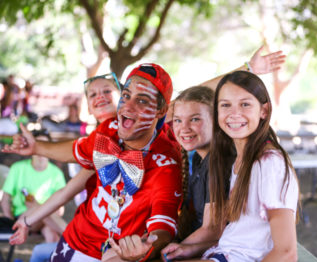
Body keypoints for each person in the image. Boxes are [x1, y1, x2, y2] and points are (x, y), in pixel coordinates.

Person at [4, 65, 183, 262]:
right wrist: (36, 147)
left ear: (161, 110)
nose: (128, 106)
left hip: (114, 254)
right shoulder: (109, 130)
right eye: (127, 95)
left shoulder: (166, 160)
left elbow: (164, 223)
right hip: (75, 240)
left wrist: (147, 248)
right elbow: (76, 151)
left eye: (141, 100)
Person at [161, 47, 287, 261]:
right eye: (179, 121)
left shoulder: (223, 160)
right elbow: (175, 106)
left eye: (195, 119)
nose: (183, 128)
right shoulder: (202, 159)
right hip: (216, 248)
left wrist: (173, 249)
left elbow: (214, 230)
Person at [188, 71, 299, 261]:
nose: (234, 114)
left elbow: (286, 253)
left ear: (264, 110)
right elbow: (242, 234)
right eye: (225, 105)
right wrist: (188, 250)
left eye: (245, 104)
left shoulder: (269, 163)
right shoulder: (240, 159)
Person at [28, 72, 121, 262]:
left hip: (106, 242)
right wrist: (25, 221)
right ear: (88, 106)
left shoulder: (129, 134)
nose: (100, 97)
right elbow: (67, 191)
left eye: (107, 91)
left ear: (123, 96)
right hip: (85, 236)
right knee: (40, 252)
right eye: (93, 95)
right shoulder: (99, 141)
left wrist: (37, 147)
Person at [1, 130, 66, 243]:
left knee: (51, 235)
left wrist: (37, 206)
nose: (41, 150)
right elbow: (5, 199)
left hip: (48, 220)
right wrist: (11, 223)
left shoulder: (56, 173)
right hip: (22, 218)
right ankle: (74, 237)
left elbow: (60, 209)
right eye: (38, 145)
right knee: (42, 211)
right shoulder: (17, 168)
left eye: (45, 146)